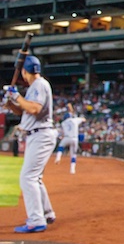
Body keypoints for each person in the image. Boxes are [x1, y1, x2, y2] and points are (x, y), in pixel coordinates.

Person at [3, 55, 59, 233]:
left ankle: (36, 219)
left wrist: (16, 95)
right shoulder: (35, 87)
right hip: (37, 134)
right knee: (35, 178)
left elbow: (34, 109)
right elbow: (25, 110)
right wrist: (11, 103)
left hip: (41, 134)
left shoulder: (39, 85)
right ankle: (46, 213)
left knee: (27, 178)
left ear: (24, 72)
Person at [54, 103, 86, 174]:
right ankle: (72, 169)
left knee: (61, 146)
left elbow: (62, 132)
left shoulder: (63, 123)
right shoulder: (75, 120)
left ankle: (58, 157)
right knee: (73, 154)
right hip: (74, 139)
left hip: (66, 138)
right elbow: (84, 119)